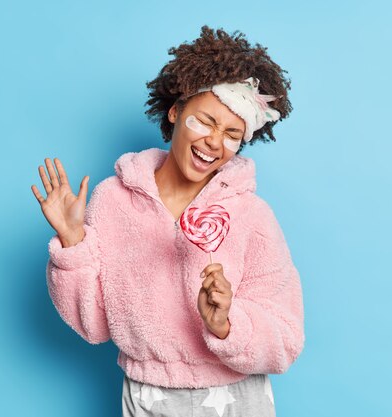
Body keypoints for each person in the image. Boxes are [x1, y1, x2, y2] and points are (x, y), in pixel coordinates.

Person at [31, 25, 305, 417]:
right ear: (176, 110)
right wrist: (73, 242)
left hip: (234, 398)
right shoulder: (112, 200)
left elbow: (286, 338)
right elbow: (92, 325)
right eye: (206, 121)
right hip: (147, 396)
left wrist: (229, 324)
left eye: (231, 133)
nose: (215, 142)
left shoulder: (251, 216)